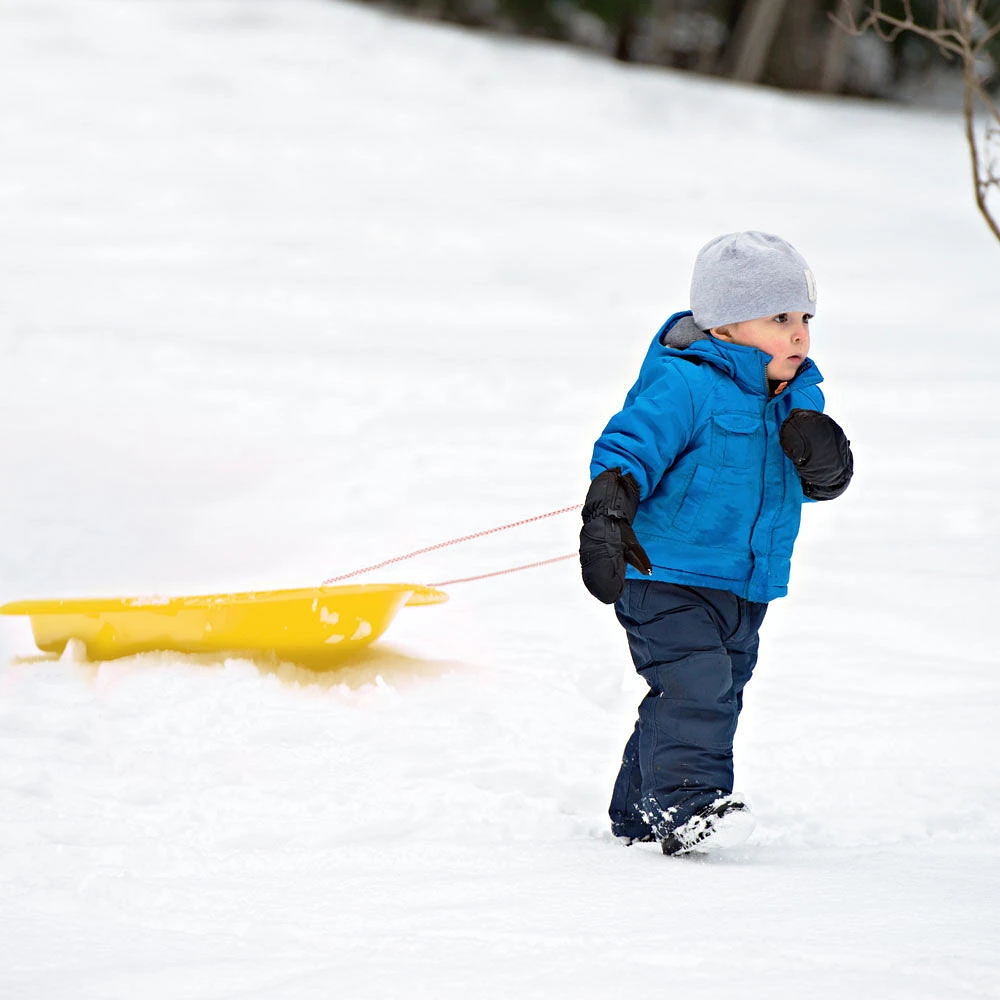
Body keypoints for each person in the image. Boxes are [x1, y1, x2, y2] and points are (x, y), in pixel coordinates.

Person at [579, 231, 853, 855]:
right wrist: (609, 511)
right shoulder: (687, 385)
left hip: (743, 582)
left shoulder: (798, 398)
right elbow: (629, 447)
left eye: (805, 318)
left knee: (709, 691)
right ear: (727, 326)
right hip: (664, 575)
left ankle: (639, 814)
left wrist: (827, 463)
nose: (799, 334)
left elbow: (807, 487)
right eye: (779, 318)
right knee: (696, 683)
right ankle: (689, 808)